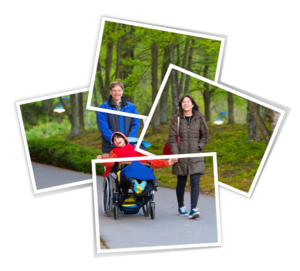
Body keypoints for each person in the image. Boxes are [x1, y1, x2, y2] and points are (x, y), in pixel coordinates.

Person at [168, 94, 209, 219]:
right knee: (181, 182)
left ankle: (193, 209)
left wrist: (199, 146)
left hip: (196, 154)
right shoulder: (176, 119)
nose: (186, 103)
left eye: (188, 101)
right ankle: (181, 207)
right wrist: (176, 154)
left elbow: (205, 135)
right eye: (183, 102)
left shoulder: (199, 117)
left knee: (195, 182)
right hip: (180, 155)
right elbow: (172, 138)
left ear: (192, 104)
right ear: (181, 105)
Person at [96, 132, 174, 189]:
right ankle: (137, 184)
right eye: (114, 140)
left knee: (147, 167)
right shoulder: (114, 151)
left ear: (124, 139)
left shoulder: (135, 148)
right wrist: (101, 159)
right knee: (132, 167)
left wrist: (167, 162)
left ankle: (144, 183)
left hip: (138, 165)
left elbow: (148, 159)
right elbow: (112, 162)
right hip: (124, 168)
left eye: (118, 137)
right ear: (113, 143)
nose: (117, 140)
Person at [97, 81, 140, 159]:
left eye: (119, 90)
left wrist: (128, 140)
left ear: (122, 91)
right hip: (110, 148)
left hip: (128, 147)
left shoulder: (131, 107)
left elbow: (136, 124)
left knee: (127, 170)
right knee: (110, 170)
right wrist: (115, 141)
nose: (117, 92)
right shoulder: (103, 107)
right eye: (114, 90)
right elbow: (103, 128)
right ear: (110, 91)